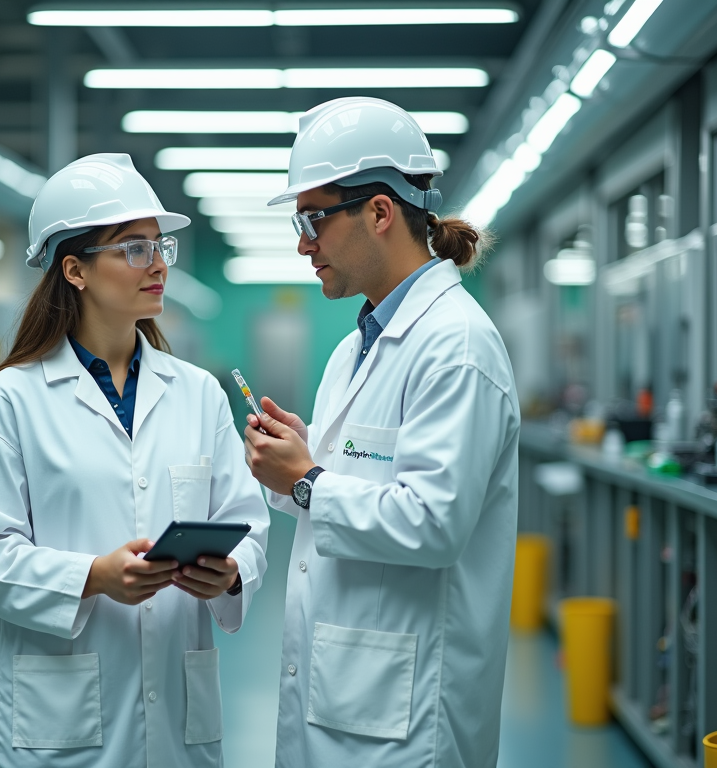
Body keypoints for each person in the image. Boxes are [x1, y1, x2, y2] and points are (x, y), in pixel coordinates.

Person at [0, 153, 270, 768]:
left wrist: (229, 574)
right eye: (132, 249)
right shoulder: (9, 400)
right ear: (74, 269)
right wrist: (93, 577)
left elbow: (248, 524)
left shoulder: (199, 393)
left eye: (158, 247)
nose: (156, 265)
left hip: (178, 714)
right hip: (59, 722)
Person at [243, 98, 521, 768]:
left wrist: (306, 482)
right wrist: (299, 465)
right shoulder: (358, 346)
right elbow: (365, 489)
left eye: (314, 218)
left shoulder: (455, 346)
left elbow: (434, 524)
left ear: (378, 212)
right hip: (348, 693)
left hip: (407, 712)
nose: (302, 242)